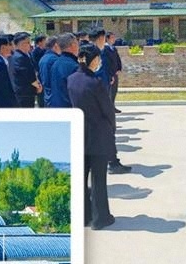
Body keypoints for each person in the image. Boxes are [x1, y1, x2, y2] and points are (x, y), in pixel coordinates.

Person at [67, 43, 116, 230]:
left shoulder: (71, 79)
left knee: (81, 178)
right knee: (98, 179)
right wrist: (111, 127)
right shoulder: (95, 82)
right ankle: (100, 217)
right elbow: (107, 110)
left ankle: (84, 216)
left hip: (80, 134)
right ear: (92, 60)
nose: (99, 62)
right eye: (98, 59)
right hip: (97, 135)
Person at [89, 28, 131, 174]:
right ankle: (111, 163)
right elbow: (96, 75)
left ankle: (109, 161)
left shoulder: (96, 51)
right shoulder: (95, 53)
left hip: (102, 93)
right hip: (100, 96)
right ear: (101, 38)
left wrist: (110, 77)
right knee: (107, 130)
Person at [8, 32, 42, 108]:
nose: (30, 45)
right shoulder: (20, 57)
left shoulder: (17, 55)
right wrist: (38, 86)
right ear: (22, 44)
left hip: (21, 92)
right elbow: (28, 75)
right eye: (28, 42)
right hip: (24, 94)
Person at [47, 33, 79, 108]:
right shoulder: (74, 66)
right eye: (77, 44)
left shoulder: (55, 63)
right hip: (69, 107)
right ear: (73, 45)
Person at [38, 35, 61, 108]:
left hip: (47, 95)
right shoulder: (55, 59)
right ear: (56, 45)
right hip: (56, 95)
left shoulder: (43, 58)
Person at [105, 31, 123, 113]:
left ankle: (112, 106)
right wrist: (110, 73)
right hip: (109, 73)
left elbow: (117, 59)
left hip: (115, 73)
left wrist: (119, 68)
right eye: (112, 37)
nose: (114, 39)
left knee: (114, 90)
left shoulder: (113, 48)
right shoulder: (105, 49)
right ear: (107, 38)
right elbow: (107, 62)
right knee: (109, 91)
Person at [31, 34, 47, 108]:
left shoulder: (45, 50)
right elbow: (35, 64)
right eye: (44, 40)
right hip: (39, 73)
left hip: (43, 73)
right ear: (40, 42)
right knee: (41, 91)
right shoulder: (36, 51)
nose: (46, 42)